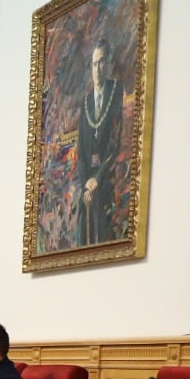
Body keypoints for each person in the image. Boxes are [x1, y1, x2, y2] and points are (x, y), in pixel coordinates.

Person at [77, 38, 123, 247]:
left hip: (107, 174)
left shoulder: (116, 92)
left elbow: (115, 142)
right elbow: (81, 150)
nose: (97, 69)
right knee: (82, 214)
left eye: (101, 62)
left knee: (103, 220)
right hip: (88, 179)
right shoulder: (86, 102)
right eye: (94, 64)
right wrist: (87, 181)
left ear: (109, 64)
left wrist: (98, 178)